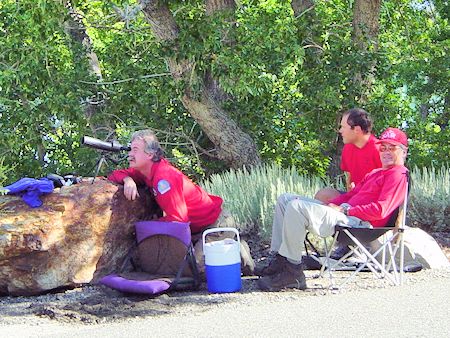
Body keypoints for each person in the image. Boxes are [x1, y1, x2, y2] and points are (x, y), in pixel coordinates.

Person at [256, 127, 409, 291]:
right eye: (382, 147)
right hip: (345, 214)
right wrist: (329, 205)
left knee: (296, 207)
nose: (385, 152)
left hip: (360, 224)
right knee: (286, 199)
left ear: (404, 152)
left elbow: (381, 210)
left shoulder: (398, 174)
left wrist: (346, 211)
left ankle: (293, 273)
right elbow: (350, 196)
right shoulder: (375, 173)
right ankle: (280, 259)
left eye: (391, 148)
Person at [108, 129, 254, 274]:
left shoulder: (164, 178)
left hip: (215, 224)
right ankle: (223, 247)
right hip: (196, 227)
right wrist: (127, 180)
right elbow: (114, 175)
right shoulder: (146, 171)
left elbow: (178, 221)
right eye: (130, 149)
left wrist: (145, 226)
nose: (130, 154)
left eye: (135, 149)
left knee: (195, 270)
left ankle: (235, 250)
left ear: (150, 154)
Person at [315, 108, 382, 204]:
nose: (340, 131)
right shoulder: (347, 148)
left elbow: (395, 184)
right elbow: (349, 180)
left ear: (357, 130)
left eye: (343, 127)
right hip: (355, 198)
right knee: (323, 195)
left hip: (373, 203)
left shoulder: (379, 149)